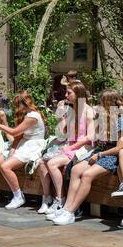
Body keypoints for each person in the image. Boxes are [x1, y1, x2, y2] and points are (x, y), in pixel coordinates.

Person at [47, 89, 123, 225]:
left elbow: (120, 147)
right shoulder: (104, 117)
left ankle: (71, 212)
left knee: (87, 175)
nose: (99, 105)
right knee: (75, 170)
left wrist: (99, 154)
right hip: (100, 152)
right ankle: (66, 208)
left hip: (113, 156)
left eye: (102, 102)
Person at [0, 90, 46, 210]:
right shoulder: (27, 115)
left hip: (32, 147)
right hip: (22, 145)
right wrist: (12, 149)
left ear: (24, 103)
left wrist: (1, 126)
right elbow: (18, 137)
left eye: (17, 104)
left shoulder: (33, 116)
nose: (16, 107)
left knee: (5, 167)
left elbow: (15, 132)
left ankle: (18, 196)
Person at [37, 81, 95, 214]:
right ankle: (47, 198)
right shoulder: (71, 110)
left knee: (51, 163)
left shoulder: (88, 111)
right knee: (41, 162)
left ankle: (60, 199)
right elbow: (62, 134)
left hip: (82, 149)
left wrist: (70, 147)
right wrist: (60, 116)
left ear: (78, 94)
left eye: (69, 93)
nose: (66, 95)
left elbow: (90, 137)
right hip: (70, 146)